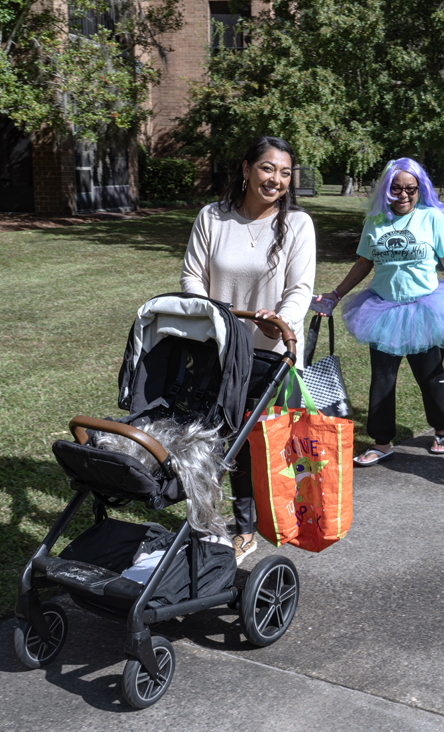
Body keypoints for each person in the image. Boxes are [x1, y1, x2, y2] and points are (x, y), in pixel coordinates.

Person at [180, 135, 316, 565]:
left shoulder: (297, 225)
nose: (276, 179)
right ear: (245, 169)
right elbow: (191, 278)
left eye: (285, 172)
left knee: (247, 440)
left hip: (267, 353)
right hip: (215, 348)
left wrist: (280, 323)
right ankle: (200, 520)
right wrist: (212, 316)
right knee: (203, 434)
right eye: (267, 168)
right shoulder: (212, 217)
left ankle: (244, 527)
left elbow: (300, 288)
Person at [313, 158, 444, 465]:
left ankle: (442, 428)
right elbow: (363, 263)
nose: (403, 195)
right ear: (386, 189)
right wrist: (336, 294)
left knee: (430, 375)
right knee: (382, 379)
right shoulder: (376, 220)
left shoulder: (432, 218)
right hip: (384, 310)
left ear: (420, 189)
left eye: (410, 188)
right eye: (396, 188)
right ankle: (382, 442)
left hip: (425, 308)